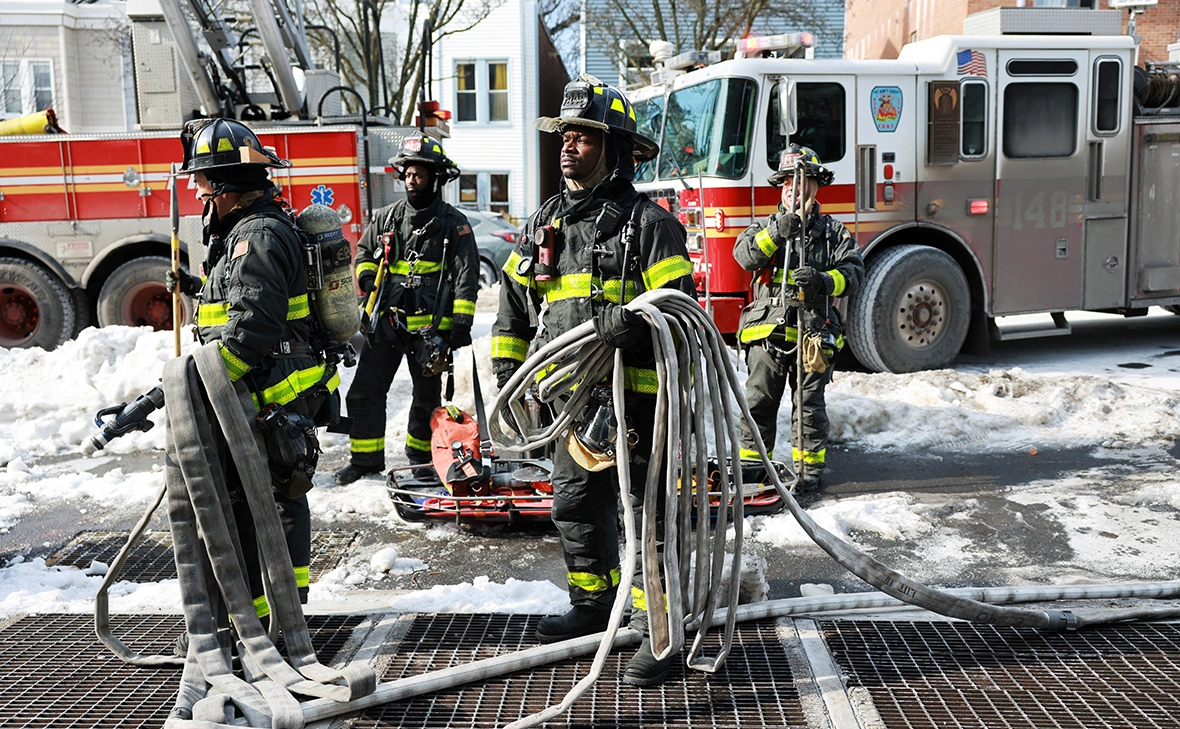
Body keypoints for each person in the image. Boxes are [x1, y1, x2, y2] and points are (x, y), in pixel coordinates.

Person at [491, 75, 696, 687]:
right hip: (571, 402)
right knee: (576, 506)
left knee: (648, 517)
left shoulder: (649, 224)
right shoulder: (546, 221)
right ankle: (593, 606)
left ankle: (662, 636)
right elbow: (513, 300)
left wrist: (635, 329)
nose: (569, 146)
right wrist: (508, 368)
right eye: (566, 135)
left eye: (584, 137)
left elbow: (683, 314)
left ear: (616, 149)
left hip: (637, 401)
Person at [165, 117, 341, 621]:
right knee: (252, 500)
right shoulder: (247, 231)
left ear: (223, 188)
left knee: (271, 502)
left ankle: (279, 617)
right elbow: (238, 303)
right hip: (259, 388)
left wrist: (201, 383)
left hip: (272, 391)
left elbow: (253, 328)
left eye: (201, 183)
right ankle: (266, 615)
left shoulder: (257, 235)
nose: (198, 194)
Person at [334, 135, 479, 485]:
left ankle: (421, 460)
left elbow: (466, 275)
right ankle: (366, 461)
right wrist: (368, 279)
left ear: (436, 179)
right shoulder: (386, 219)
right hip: (386, 325)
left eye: (420, 175)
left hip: (431, 332)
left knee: (426, 398)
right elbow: (364, 253)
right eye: (408, 174)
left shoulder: (454, 226)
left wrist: (459, 326)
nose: (412, 181)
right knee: (365, 392)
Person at [733, 144, 864, 493]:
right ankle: (752, 471)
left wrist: (824, 281)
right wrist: (778, 232)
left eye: (801, 180)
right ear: (780, 188)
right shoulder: (764, 227)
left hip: (813, 336)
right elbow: (744, 257)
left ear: (815, 186)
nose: (794, 187)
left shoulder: (834, 233)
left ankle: (808, 476)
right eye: (787, 181)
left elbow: (854, 275)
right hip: (767, 335)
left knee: (808, 407)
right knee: (758, 402)